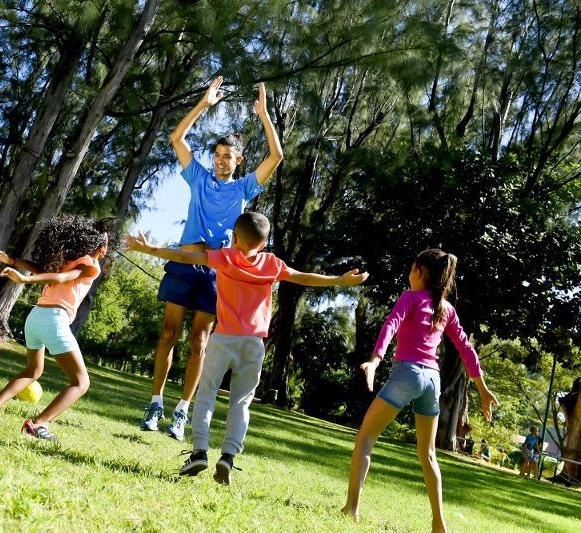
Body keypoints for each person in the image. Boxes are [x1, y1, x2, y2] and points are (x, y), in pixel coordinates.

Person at [125, 212, 368, 484]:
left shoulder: (225, 257)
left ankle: (200, 452)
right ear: (263, 244)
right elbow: (304, 277)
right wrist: (340, 280)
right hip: (253, 344)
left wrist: (148, 249)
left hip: (224, 338)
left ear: (234, 237)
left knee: (206, 393)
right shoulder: (271, 263)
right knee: (241, 403)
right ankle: (228, 457)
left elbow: (185, 257)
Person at [140, 76, 284, 441]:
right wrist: (204, 104)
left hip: (216, 274)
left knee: (199, 342)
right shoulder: (198, 178)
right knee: (168, 333)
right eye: (217, 155)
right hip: (184, 265)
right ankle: (155, 403)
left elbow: (277, 156)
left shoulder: (244, 187)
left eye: (228, 157)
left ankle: (181, 412)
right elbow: (177, 139)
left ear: (238, 161)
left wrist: (264, 115)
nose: (221, 161)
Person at [341, 249, 499, 533]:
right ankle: (439, 523)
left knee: (366, 436)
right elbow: (466, 348)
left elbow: (391, 324)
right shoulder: (446, 308)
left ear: (419, 271)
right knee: (427, 454)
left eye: (411, 268)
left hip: (407, 373)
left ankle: (351, 507)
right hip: (432, 381)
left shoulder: (410, 297)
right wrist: (483, 389)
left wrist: (375, 360)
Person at [0, 215, 108, 441]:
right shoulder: (90, 265)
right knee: (81, 382)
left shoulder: (69, 258)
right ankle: (39, 424)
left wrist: (12, 260)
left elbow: (41, 268)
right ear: (101, 248)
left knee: (32, 371)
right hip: (54, 320)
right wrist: (23, 280)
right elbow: (63, 277)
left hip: (35, 317)